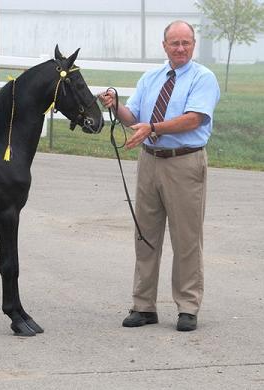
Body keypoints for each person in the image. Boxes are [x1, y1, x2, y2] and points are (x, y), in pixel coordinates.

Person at [99, 20, 220, 331]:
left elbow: (193, 119)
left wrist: (153, 128)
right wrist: (116, 106)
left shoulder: (203, 78)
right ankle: (143, 305)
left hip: (185, 163)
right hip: (150, 161)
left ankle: (188, 306)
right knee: (145, 235)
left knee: (186, 239)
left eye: (186, 43)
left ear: (193, 45)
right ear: (164, 46)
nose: (180, 48)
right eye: (174, 43)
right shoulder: (151, 77)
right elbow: (133, 117)